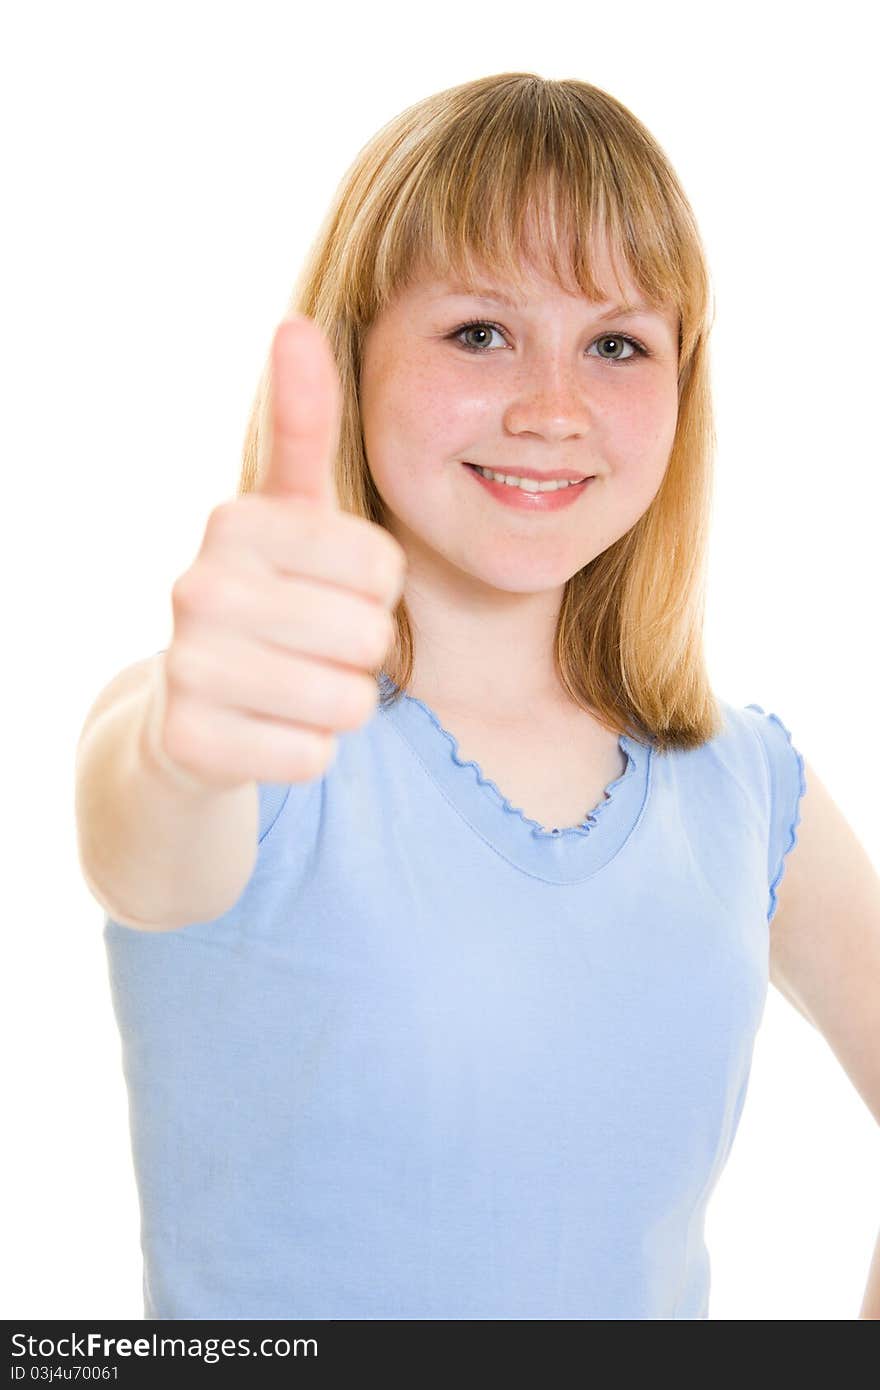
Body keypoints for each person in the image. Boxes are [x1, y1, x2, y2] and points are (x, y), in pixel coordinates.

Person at [76, 72, 823, 1320]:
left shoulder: (743, 780)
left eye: (617, 344)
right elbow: (145, 828)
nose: (551, 408)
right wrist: (181, 751)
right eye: (480, 332)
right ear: (352, 349)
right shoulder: (242, 727)